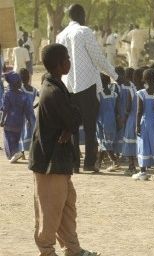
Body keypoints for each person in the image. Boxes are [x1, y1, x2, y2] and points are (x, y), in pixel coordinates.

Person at [29, 43, 99, 256]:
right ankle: (46, 251)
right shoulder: (53, 92)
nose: (70, 61)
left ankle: (73, 249)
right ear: (60, 64)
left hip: (59, 161)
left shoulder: (57, 86)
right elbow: (74, 117)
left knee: (67, 207)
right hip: (49, 162)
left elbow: (72, 119)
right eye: (67, 58)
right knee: (50, 210)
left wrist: (70, 126)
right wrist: (70, 124)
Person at [57, 4, 118, 173]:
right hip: (86, 85)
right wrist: (115, 75)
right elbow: (98, 57)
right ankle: (89, 163)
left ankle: (75, 163)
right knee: (90, 126)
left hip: (68, 85)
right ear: (81, 15)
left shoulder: (60, 36)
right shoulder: (84, 31)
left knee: (72, 126)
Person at [132, 68, 154, 181]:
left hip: (145, 123)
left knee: (143, 146)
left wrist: (137, 125)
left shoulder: (141, 93)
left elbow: (139, 111)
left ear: (145, 80)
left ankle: (143, 172)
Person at [0, 72, 33, 162]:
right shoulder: (23, 95)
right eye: (19, 82)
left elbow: (5, 109)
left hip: (9, 122)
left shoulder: (7, 94)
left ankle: (14, 154)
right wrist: (30, 121)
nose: (20, 83)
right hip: (19, 123)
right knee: (17, 139)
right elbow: (27, 111)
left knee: (9, 140)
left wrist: (2, 120)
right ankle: (17, 153)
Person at [96, 73, 121, 172]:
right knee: (104, 142)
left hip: (102, 120)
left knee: (105, 143)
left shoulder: (98, 95)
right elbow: (116, 109)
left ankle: (115, 161)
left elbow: (96, 108)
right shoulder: (114, 94)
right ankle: (98, 163)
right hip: (111, 120)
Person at [14, 68, 38, 162]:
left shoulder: (20, 89)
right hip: (31, 116)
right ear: (28, 78)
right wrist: (34, 106)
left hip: (21, 115)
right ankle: (32, 154)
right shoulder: (34, 90)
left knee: (21, 134)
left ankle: (22, 153)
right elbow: (42, 96)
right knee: (32, 134)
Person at [122, 67, 143, 175]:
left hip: (132, 120)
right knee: (141, 144)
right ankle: (142, 167)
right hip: (143, 121)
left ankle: (131, 166)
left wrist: (124, 118)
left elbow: (129, 108)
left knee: (130, 143)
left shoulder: (131, 90)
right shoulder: (148, 91)